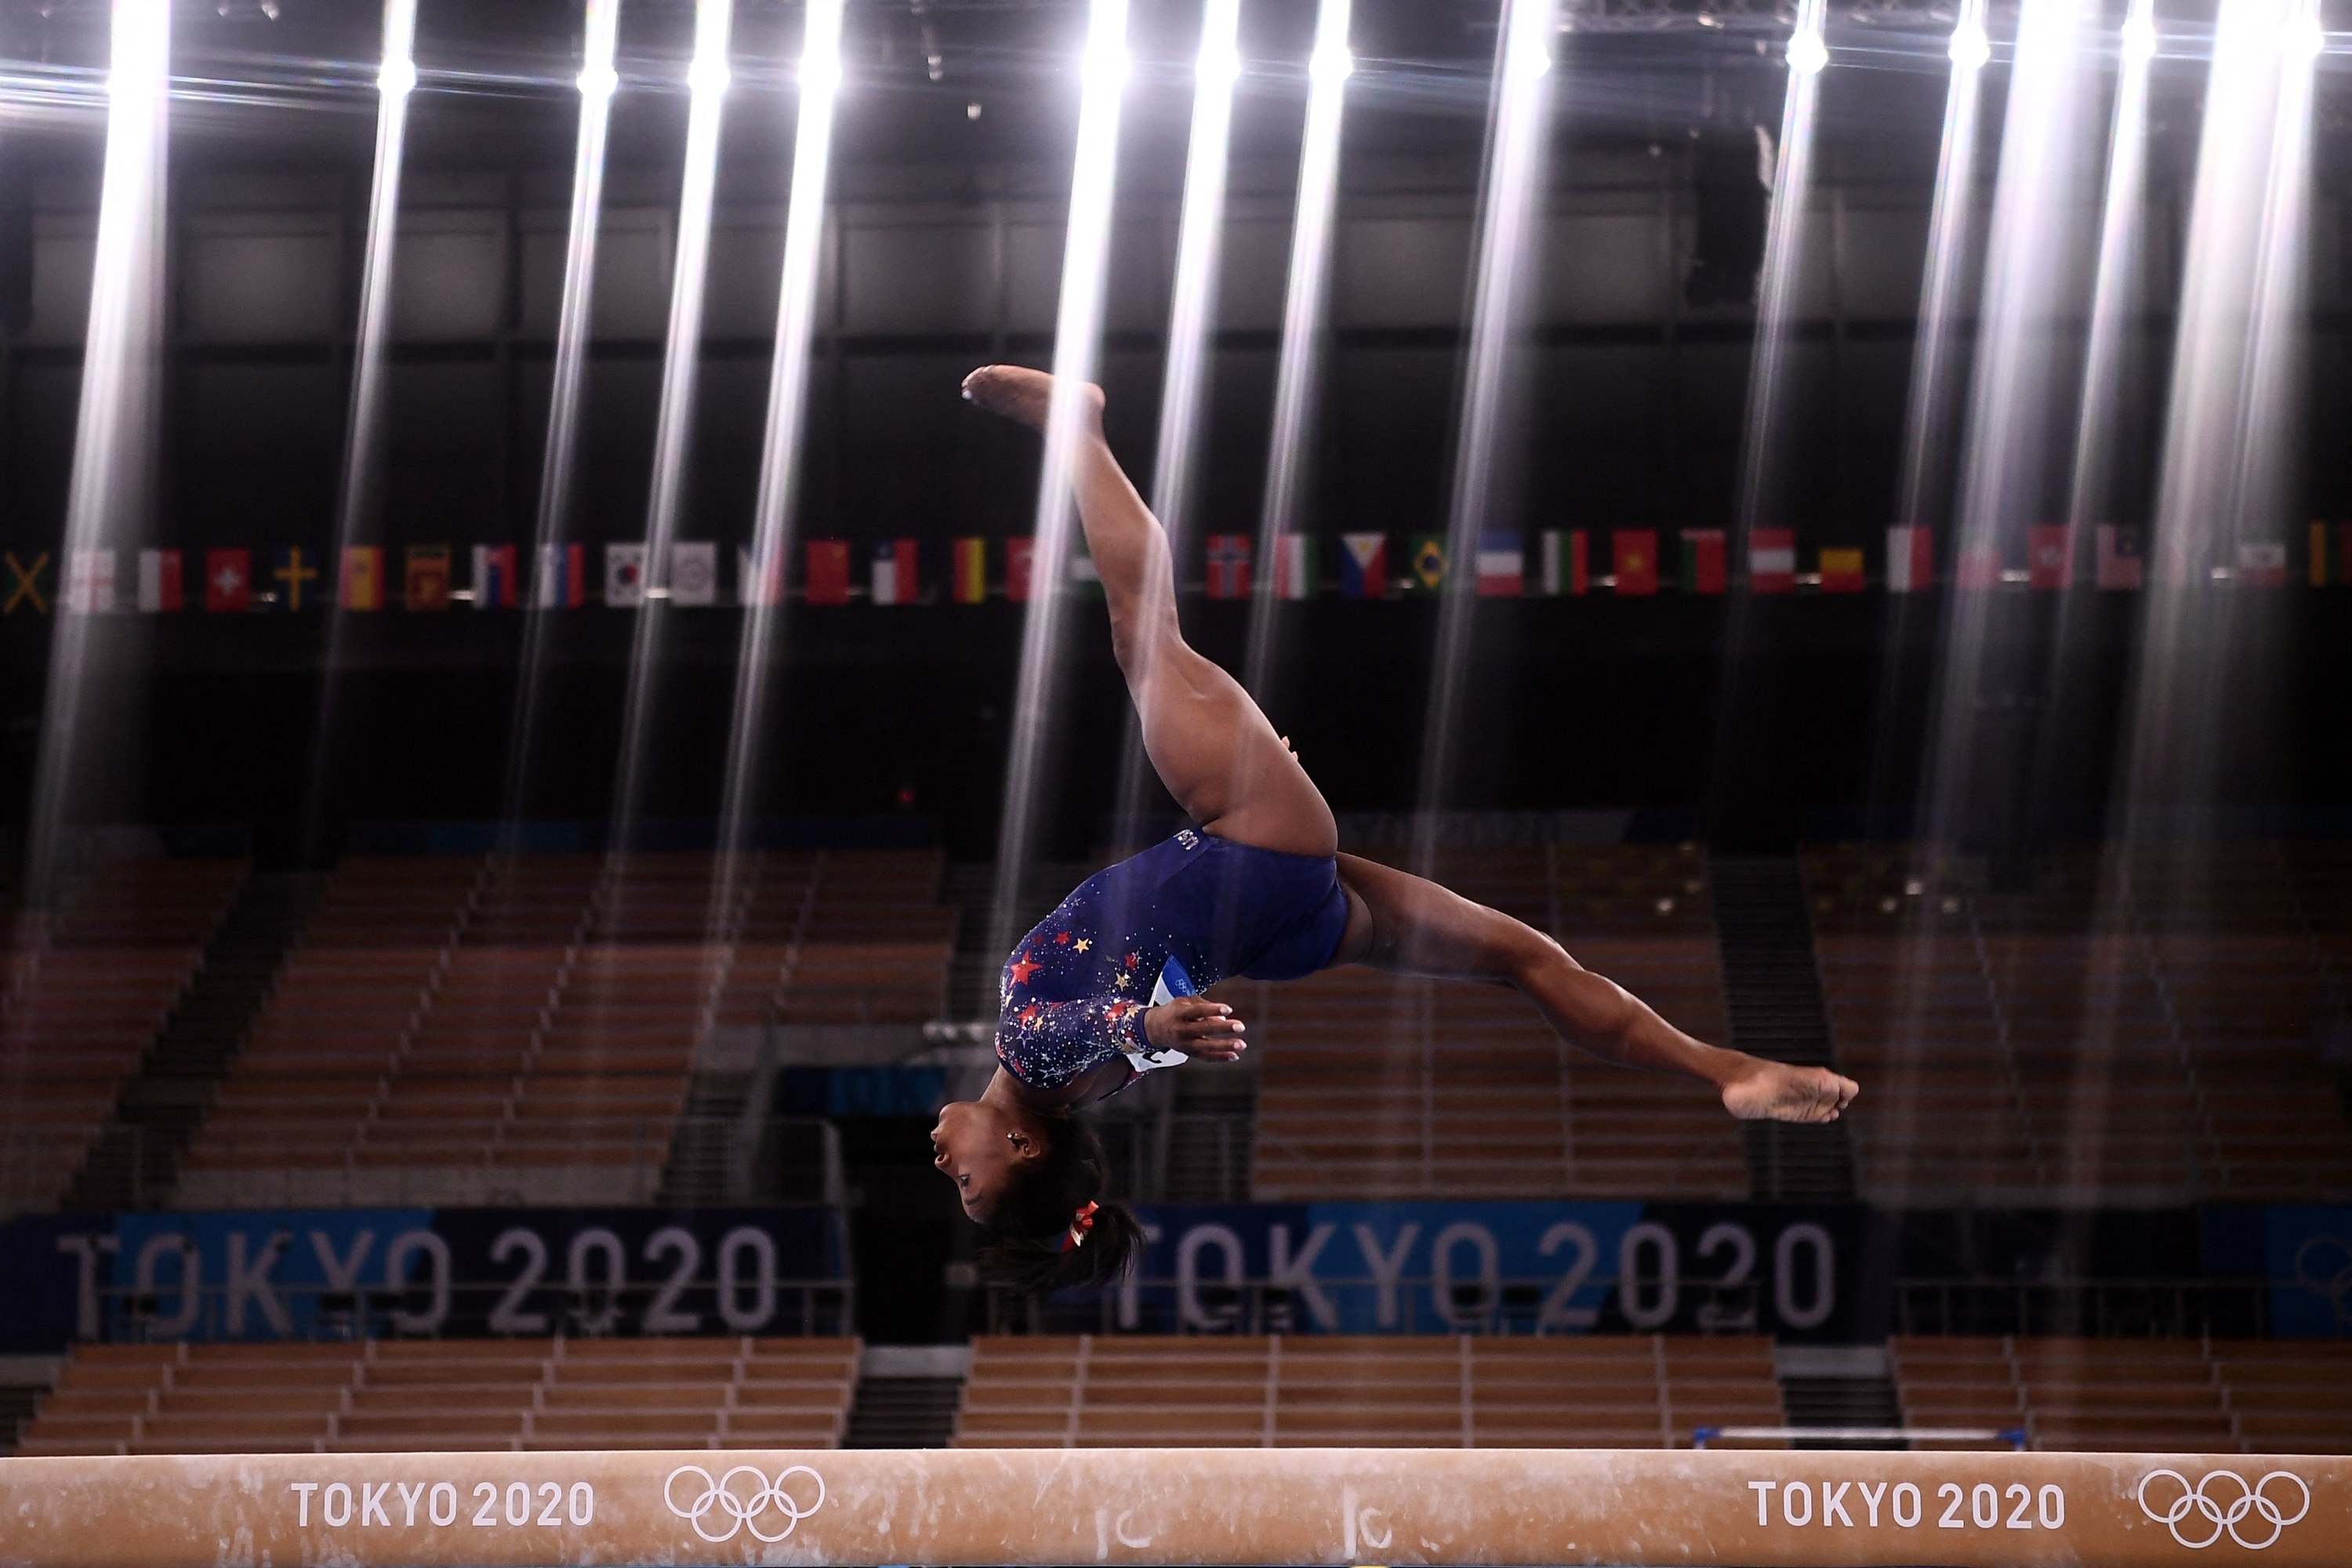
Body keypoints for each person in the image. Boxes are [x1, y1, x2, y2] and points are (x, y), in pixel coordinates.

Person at [932, 364, 1860, 1295]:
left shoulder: (1084, 1085)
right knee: (1144, 632)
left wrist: (1159, 1008)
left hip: (1279, 924)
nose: (946, 1166)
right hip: (1250, 845)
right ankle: (1077, 429)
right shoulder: (1034, 1053)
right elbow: (1088, 1015)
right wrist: (1161, 993)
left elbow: (1140, 991)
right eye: (972, 1182)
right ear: (1020, 1142)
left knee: (1522, 960)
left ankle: (1725, 1068)